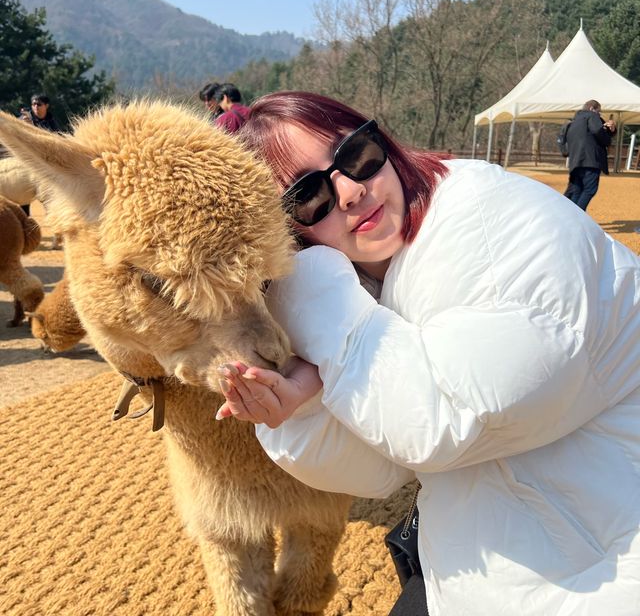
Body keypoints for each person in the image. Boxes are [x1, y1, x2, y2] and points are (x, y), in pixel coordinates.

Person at [213, 91, 640, 615]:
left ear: (382, 142)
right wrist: (303, 405)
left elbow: (440, 423)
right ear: (289, 232)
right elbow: (381, 468)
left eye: (356, 155)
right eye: (309, 195)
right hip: (498, 554)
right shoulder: (374, 279)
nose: (348, 190)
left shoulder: (491, 219)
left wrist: (307, 292)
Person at [564, 99, 616, 211]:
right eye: (599, 111)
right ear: (592, 108)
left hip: (575, 162)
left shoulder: (574, 121)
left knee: (576, 191)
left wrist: (608, 129)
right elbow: (597, 131)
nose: (599, 114)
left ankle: (568, 216)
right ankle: (577, 217)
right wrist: (608, 140)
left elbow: (590, 133)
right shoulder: (592, 116)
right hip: (590, 160)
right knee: (589, 189)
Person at [16, 94, 59, 215]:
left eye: (39, 104)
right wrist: (24, 125)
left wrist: (33, 127)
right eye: (33, 104)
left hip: (44, 163)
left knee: (48, 196)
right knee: (24, 196)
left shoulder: (51, 121)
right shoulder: (24, 118)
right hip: (26, 162)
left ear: (46, 106)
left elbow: (56, 139)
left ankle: (54, 220)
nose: (36, 106)